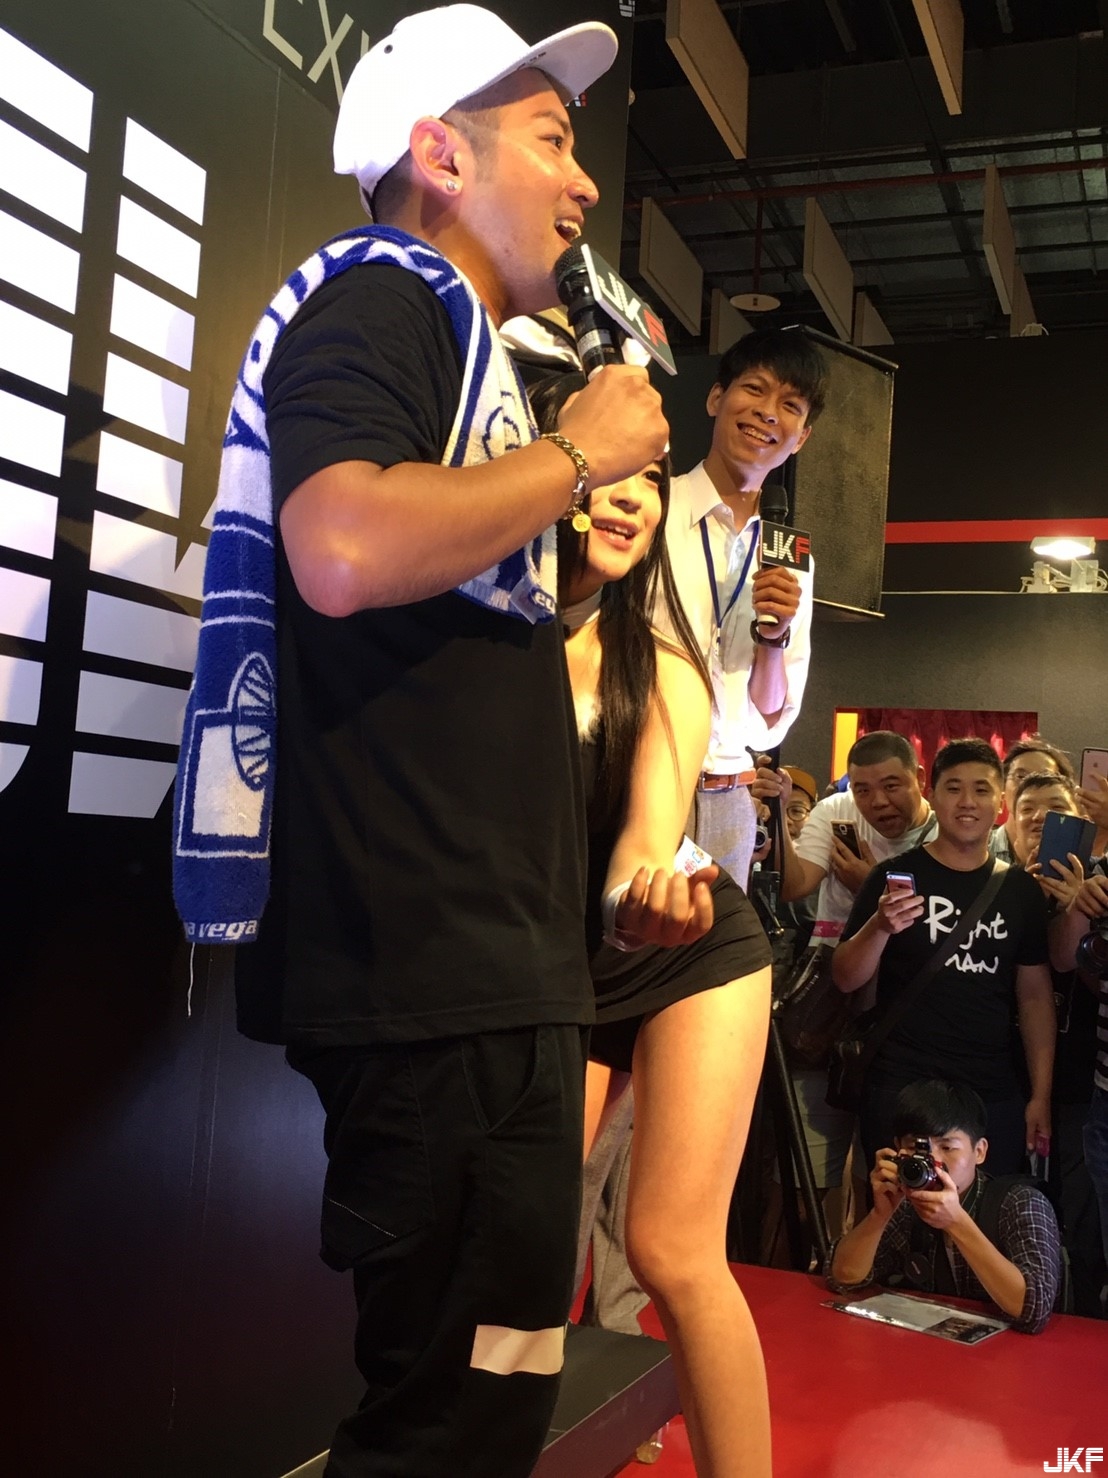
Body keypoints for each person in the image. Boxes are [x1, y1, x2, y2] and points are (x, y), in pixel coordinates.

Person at [174, 10, 679, 1475]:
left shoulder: (460, 343)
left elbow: (430, 625)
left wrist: (569, 560)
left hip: (477, 967)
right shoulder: (386, 290)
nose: (583, 182)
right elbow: (338, 549)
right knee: (446, 1422)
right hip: (433, 970)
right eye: (552, 140)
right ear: (439, 154)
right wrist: (575, 454)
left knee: (488, 1392)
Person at [531, 371, 775, 1478]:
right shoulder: (489, 649)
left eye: (649, 480)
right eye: (611, 470)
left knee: (672, 1247)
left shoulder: (665, 665)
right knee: (528, 1242)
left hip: (687, 952)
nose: (632, 496)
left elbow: (643, 848)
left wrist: (641, 901)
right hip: (557, 968)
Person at [832, 738, 1056, 1178]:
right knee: (895, 1204)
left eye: (981, 789)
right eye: (953, 788)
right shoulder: (893, 876)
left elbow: (1034, 997)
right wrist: (879, 926)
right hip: (901, 1081)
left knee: (989, 1205)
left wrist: (1040, 1095)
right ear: (932, 796)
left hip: (990, 1085)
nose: (967, 801)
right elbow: (844, 977)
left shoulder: (1020, 891)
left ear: (1001, 803)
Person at [655, 330, 829, 893]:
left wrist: (774, 639)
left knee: (716, 945)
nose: (768, 413)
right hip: (648, 781)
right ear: (716, 398)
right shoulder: (652, 509)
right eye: (754, 389)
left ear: (801, 437)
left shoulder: (792, 556)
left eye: (790, 406)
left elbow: (767, 719)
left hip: (731, 798)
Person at [752, 732, 938, 1240]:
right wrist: (778, 812)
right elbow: (795, 885)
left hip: (909, 1010)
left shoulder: (942, 833)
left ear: (919, 778)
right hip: (831, 1004)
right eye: (863, 789)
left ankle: (874, 1258)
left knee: (886, 1159)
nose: (877, 802)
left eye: (892, 785)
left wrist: (870, 884)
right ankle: (808, 1263)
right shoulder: (835, 811)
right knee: (806, 1166)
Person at [826, 1080, 1062, 1334]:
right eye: (916, 1148)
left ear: (979, 1151)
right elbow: (844, 1280)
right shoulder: (905, 1203)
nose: (933, 1160)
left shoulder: (1020, 1203)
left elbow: (1034, 1311)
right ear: (897, 1149)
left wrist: (956, 1222)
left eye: (947, 1147)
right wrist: (879, 1215)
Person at [991, 737, 1075, 862]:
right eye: (1021, 776)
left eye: (1044, 777)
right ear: (1002, 785)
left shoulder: (1079, 857)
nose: (1030, 785)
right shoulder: (978, 850)